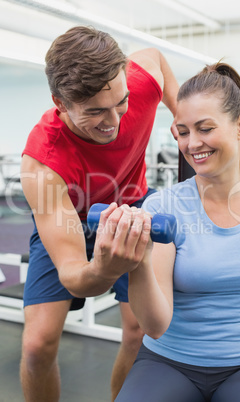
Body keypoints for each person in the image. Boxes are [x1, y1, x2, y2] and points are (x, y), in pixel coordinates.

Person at [20, 25, 179, 402]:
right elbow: (76, 276)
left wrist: (179, 111)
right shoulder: (42, 163)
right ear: (60, 102)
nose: (114, 120)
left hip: (133, 206)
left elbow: (154, 56)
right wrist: (104, 267)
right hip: (68, 219)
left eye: (120, 103)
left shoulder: (137, 84)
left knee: (138, 332)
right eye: (94, 112)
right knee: (37, 346)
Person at [113, 62, 240, 401]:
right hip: (170, 361)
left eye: (205, 128)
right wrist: (138, 261)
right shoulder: (162, 207)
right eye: (183, 132)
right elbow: (154, 325)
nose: (192, 143)